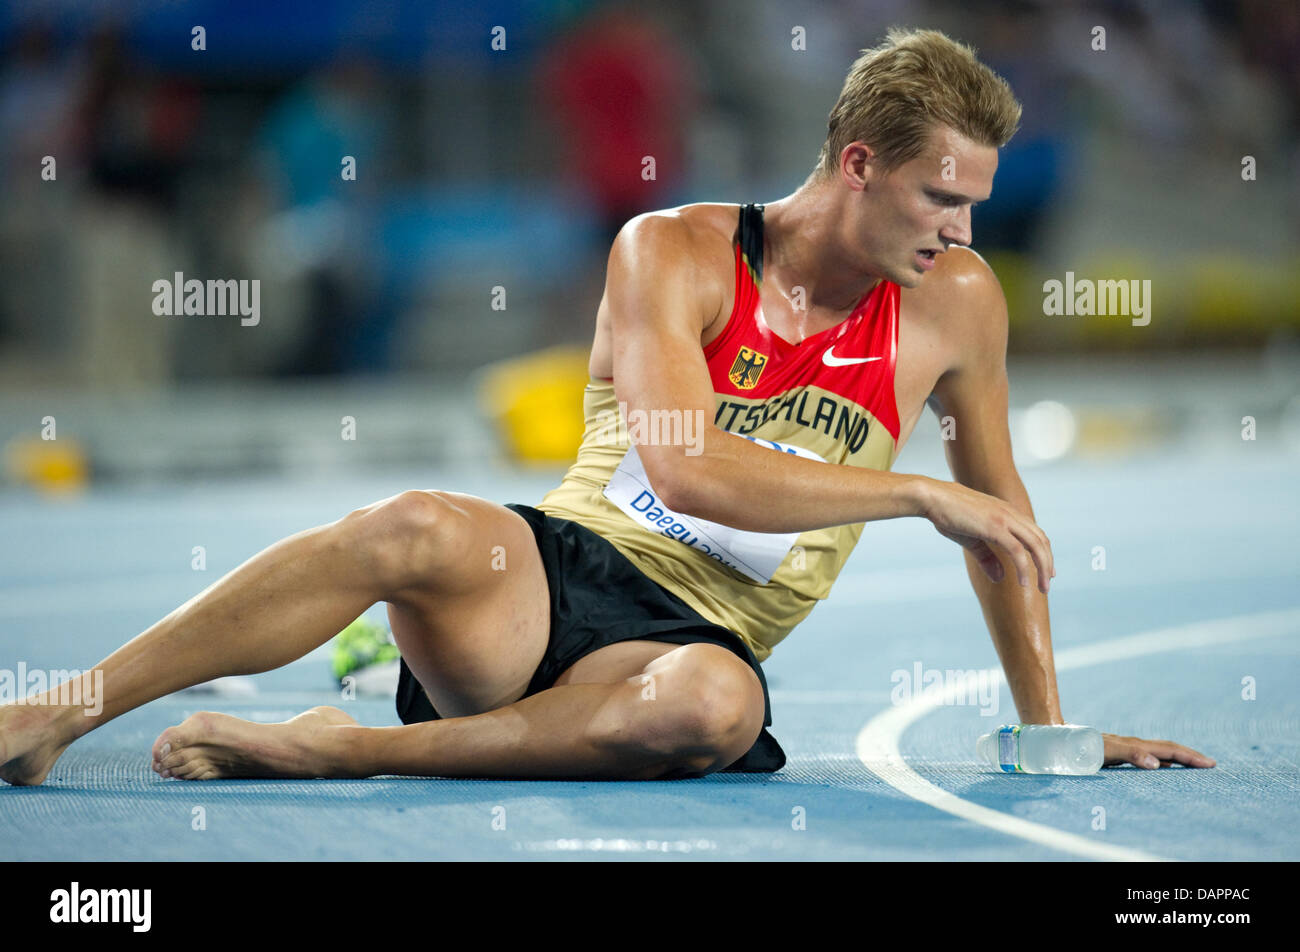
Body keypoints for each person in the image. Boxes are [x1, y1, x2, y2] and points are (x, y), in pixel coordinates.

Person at [0, 28, 1213, 785]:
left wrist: (1049, 727)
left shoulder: (957, 305)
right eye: (941, 200)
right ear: (857, 164)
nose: (961, 234)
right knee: (411, 522)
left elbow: (1003, 529)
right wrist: (914, 488)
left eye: (975, 208)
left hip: (681, 646)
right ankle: (62, 713)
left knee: (714, 705)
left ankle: (344, 745)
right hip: (546, 582)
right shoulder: (670, 251)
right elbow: (684, 474)